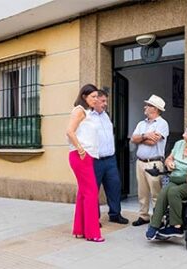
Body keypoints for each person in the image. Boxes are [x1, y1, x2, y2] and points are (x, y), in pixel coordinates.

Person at [145, 124, 187, 240]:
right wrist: (169, 162)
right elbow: (169, 158)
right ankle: (155, 224)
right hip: (176, 179)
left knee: (174, 192)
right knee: (164, 192)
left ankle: (176, 227)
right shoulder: (179, 144)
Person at [66, 84, 104, 242]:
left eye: (97, 97)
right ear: (84, 97)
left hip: (85, 155)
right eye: (93, 97)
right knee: (90, 193)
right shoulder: (79, 111)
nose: (96, 99)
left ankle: (80, 230)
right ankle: (93, 233)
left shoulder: (87, 112)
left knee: (83, 193)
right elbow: (69, 131)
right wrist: (81, 149)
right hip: (81, 155)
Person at [130, 95, 169, 226]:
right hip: (140, 161)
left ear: (155, 109)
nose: (145, 107)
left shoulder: (162, 124)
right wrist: (146, 135)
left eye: (148, 105)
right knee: (142, 192)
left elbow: (153, 142)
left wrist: (140, 138)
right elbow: (133, 139)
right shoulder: (141, 124)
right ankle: (144, 216)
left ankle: (159, 218)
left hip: (154, 163)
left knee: (156, 193)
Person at [91, 90, 128, 225]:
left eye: (106, 101)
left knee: (114, 186)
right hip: (95, 160)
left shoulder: (106, 116)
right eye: (103, 101)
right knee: (93, 190)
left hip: (110, 159)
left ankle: (115, 214)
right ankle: (94, 218)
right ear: (94, 101)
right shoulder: (87, 116)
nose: (106, 104)